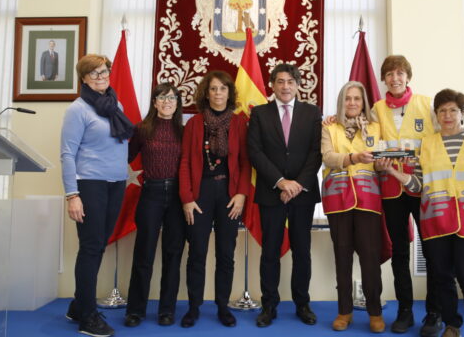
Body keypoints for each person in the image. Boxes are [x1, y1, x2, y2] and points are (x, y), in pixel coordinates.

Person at [378, 89, 464, 337]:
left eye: (453, 110)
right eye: (442, 111)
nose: (447, 115)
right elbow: (418, 184)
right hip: (436, 219)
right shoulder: (427, 143)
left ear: (462, 113)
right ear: (436, 115)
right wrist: (395, 173)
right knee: (442, 276)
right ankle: (452, 325)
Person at [61, 54, 134, 337]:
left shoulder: (115, 104)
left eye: (104, 71)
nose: (101, 77)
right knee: (91, 248)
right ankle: (88, 318)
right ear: (84, 80)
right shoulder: (77, 110)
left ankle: (79, 306)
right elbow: (67, 153)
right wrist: (72, 195)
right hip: (89, 184)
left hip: (116, 183)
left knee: (98, 246)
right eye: (94, 74)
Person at [247, 63, 323, 327]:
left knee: (302, 251)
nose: (285, 86)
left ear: (298, 84)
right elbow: (255, 152)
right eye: (280, 81)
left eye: (290, 81)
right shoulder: (259, 113)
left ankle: (303, 304)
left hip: (302, 195)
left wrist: (296, 185)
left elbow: (316, 153)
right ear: (272, 85)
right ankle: (269, 306)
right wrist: (280, 182)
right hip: (272, 193)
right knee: (270, 251)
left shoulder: (312, 113)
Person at [371, 55, 441, 335]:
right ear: (384, 79)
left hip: (423, 188)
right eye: (389, 74)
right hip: (391, 189)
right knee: (400, 252)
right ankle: (405, 311)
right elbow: (370, 144)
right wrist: (378, 163)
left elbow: (438, 141)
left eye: (400, 73)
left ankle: (434, 312)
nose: (395, 78)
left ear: (408, 76)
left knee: (432, 249)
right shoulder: (376, 109)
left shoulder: (427, 104)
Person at [178, 70, 251, 328]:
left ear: (229, 92)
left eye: (222, 88)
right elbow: (185, 161)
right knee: (196, 252)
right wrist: (187, 198)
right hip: (199, 195)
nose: (218, 93)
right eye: (213, 89)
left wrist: (241, 194)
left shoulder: (240, 123)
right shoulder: (195, 124)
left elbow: (245, 162)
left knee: (225, 253)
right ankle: (194, 307)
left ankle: (222, 306)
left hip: (229, 195)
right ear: (205, 94)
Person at [321, 81, 386, 333]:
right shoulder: (329, 127)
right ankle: (344, 311)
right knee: (342, 257)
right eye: (347, 98)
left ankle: (375, 312)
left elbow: (380, 158)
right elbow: (327, 157)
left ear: (364, 102)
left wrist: (380, 164)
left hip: (368, 200)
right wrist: (352, 158)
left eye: (357, 98)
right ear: (341, 101)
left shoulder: (375, 127)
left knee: (370, 258)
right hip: (338, 200)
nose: (352, 103)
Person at [123, 83, 186, 328]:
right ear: (155, 101)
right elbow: (124, 157)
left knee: (173, 254)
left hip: (178, 199)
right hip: (151, 194)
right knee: (144, 253)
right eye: (162, 97)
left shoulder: (184, 131)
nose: (167, 101)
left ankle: (166, 310)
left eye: (172, 97)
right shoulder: (142, 129)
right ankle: (136, 310)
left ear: (177, 102)